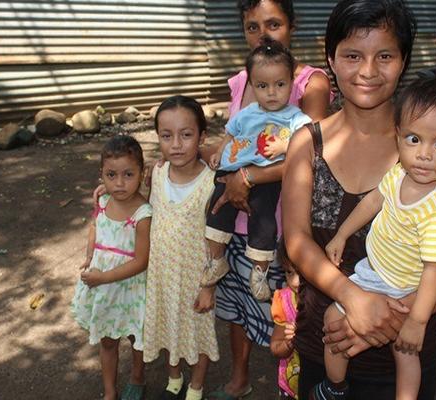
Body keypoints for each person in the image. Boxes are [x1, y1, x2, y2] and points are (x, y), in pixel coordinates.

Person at [281, 1, 436, 399]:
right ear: (331, 59)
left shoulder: (427, 150)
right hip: (325, 342)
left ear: (404, 60)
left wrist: (389, 321)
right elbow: (298, 241)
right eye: (353, 55)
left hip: (403, 356)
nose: (368, 71)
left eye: (385, 56)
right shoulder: (308, 143)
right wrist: (351, 298)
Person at [314, 77, 436, 400]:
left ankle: (336, 388)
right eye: (414, 139)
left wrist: (416, 320)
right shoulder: (401, 172)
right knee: (394, 348)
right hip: (377, 270)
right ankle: (345, 387)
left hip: (401, 286)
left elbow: (435, 271)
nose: (425, 155)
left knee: (390, 342)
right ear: (399, 136)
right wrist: (342, 235)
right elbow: (375, 199)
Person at [208, 0, 333, 398]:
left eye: (273, 24)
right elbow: (235, 140)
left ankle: (291, 386)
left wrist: (247, 176)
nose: (263, 34)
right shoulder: (242, 80)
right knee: (237, 307)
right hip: (236, 221)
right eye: (252, 27)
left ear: (292, 27)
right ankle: (241, 376)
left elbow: (311, 152)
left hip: (279, 223)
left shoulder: (310, 83)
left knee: (287, 317)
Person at [203, 39, 311, 302]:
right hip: (232, 170)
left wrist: (286, 143)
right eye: (263, 86)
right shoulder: (247, 112)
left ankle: (259, 271)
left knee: (263, 220)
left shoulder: (295, 116)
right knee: (215, 209)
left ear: (291, 84)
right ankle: (217, 260)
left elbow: (310, 140)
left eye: (280, 84)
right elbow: (230, 133)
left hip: (266, 178)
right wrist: (220, 151)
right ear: (251, 84)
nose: (272, 92)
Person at [142, 95, 219, 400]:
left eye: (186, 135)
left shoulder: (213, 183)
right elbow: (140, 205)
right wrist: (106, 193)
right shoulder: (157, 174)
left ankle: (197, 384)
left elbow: (217, 240)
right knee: (164, 323)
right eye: (166, 136)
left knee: (198, 332)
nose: (176, 144)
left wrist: (209, 285)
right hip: (161, 275)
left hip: (195, 279)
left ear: (202, 137)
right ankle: (174, 374)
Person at [71, 135, 152, 400]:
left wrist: (103, 277)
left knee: (134, 336)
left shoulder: (143, 214)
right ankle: (109, 392)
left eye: (128, 174)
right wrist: (89, 255)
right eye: (111, 175)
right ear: (101, 176)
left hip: (130, 287)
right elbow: (95, 227)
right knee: (107, 340)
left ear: (142, 173)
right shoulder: (103, 202)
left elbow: (141, 261)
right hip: (103, 286)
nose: (119, 183)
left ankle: (137, 377)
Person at [270, 237, 301, 399]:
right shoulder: (284, 300)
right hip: (290, 386)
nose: (295, 282)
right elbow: (275, 348)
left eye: (302, 273)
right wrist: (290, 342)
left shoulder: (329, 304)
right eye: (289, 272)